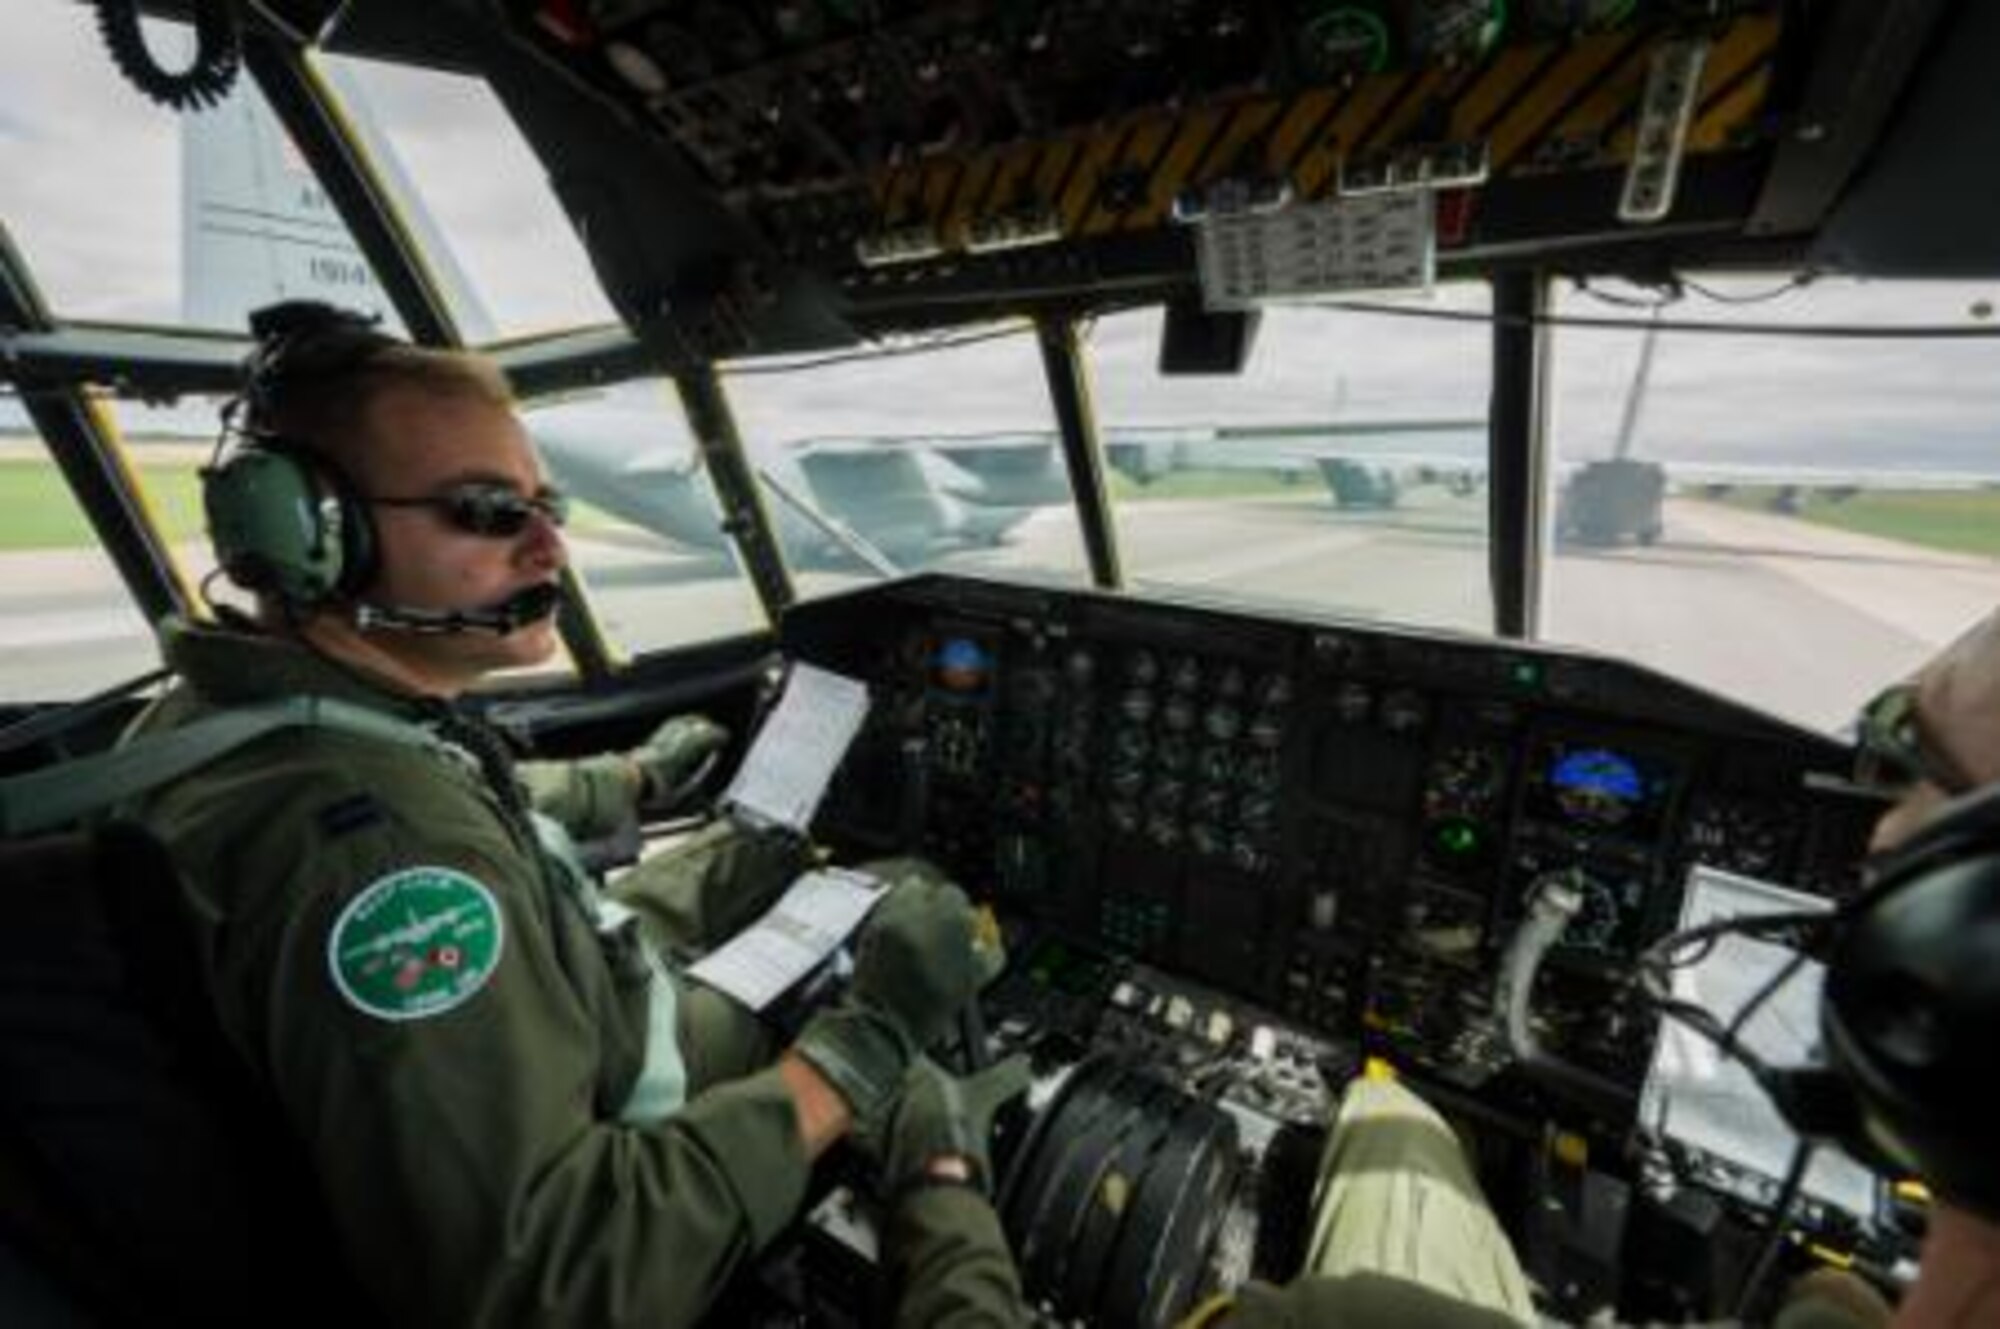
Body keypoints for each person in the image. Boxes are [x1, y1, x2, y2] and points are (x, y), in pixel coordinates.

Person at [125, 303, 996, 1328]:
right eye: (489, 510)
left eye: (547, 507)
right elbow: (559, 1282)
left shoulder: (241, 717)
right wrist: (864, 1045)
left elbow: (474, 802)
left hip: (587, 1004)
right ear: (315, 535)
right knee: (856, 972)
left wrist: (629, 782)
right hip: (598, 1138)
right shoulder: (388, 867)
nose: (550, 547)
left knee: (759, 858)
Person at [875, 607, 2000, 1329]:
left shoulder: (1335, 1321)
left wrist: (937, 1179)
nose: (1876, 837)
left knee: (1385, 1105)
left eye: (1921, 765)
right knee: (1398, 1112)